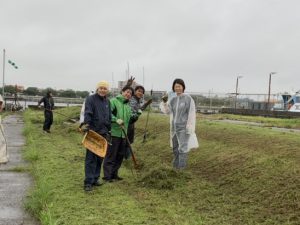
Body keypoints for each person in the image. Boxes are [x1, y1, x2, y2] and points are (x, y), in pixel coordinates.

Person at [160, 78, 199, 169]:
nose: (177, 88)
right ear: (173, 88)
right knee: (175, 147)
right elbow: (167, 111)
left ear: (183, 87)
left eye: (179, 86)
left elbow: (191, 112)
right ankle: (175, 167)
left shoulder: (188, 98)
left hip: (184, 127)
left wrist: (189, 126)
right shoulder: (173, 99)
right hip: (174, 127)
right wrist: (165, 103)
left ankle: (181, 168)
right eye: (176, 86)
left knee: (183, 148)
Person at [82, 81, 111, 191]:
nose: (103, 90)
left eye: (105, 88)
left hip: (104, 133)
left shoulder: (107, 101)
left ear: (107, 90)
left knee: (100, 157)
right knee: (91, 158)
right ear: (97, 89)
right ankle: (88, 182)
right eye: (101, 88)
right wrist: (87, 124)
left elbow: (108, 116)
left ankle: (95, 178)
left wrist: (109, 130)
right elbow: (88, 112)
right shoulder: (91, 99)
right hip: (93, 133)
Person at [103, 85, 134, 182]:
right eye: (127, 92)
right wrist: (116, 120)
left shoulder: (128, 106)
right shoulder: (113, 101)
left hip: (123, 134)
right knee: (111, 155)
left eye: (130, 93)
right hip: (114, 133)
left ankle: (114, 174)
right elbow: (107, 114)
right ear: (122, 91)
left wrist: (136, 115)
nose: (128, 94)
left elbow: (129, 120)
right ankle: (107, 176)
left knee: (120, 155)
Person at [125, 85, 152, 158]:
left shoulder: (137, 101)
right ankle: (126, 158)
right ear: (135, 91)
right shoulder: (131, 99)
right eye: (139, 91)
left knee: (129, 142)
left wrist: (146, 104)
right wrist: (127, 85)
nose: (140, 93)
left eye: (142, 92)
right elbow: (133, 112)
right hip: (126, 124)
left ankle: (127, 158)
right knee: (126, 142)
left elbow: (139, 110)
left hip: (131, 124)